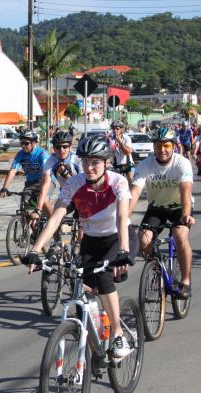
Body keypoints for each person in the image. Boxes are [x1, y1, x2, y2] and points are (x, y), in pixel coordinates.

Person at [22, 136, 136, 358]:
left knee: (104, 279)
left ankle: (119, 332)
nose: (89, 167)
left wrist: (123, 250)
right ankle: (96, 346)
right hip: (91, 240)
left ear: (106, 162)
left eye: (95, 162)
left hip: (117, 237)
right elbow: (56, 217)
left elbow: (123, 216)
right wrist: (35, 250)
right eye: (85, 162)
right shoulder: (75, 184)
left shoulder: (117, 182)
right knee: (80, 290)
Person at [129, 127, 194, 298]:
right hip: (156, 208)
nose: (162, 150)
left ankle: (185, 280)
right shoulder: (145, 165)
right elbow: (134, 192)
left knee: (180, 236)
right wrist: (124, 217)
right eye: (158, 146)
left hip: (179, 208)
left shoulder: (182, 163)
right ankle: (156, 267)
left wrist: (186, 214)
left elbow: (185, 191)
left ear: (173, 146)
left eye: (166, 146)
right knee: (143, 240)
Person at [34, 129, 82, 220]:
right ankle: (56, 233)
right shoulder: (51, 161)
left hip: (82, 196)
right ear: (54, 148)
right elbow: (45, 185)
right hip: (67, 196)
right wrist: (38, 209)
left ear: (70, 147)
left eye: (65, 146)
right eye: (58, 147)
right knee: (54, 218)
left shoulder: (77, 159)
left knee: (82, 230)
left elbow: (82, 184)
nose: (61, 150)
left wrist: (65, 174)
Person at [0, 130, 49, 213]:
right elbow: (13, 170)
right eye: (21, 143)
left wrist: (41, 189)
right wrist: (5, 187)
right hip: (31, 183)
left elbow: (46, 173)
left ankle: (55, 222)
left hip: (46, 181)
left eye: (26, 143)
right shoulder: (20, 154)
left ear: (33, 143)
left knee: (43, 199)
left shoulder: (42, 154)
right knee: (25, 204)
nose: (23, 146)